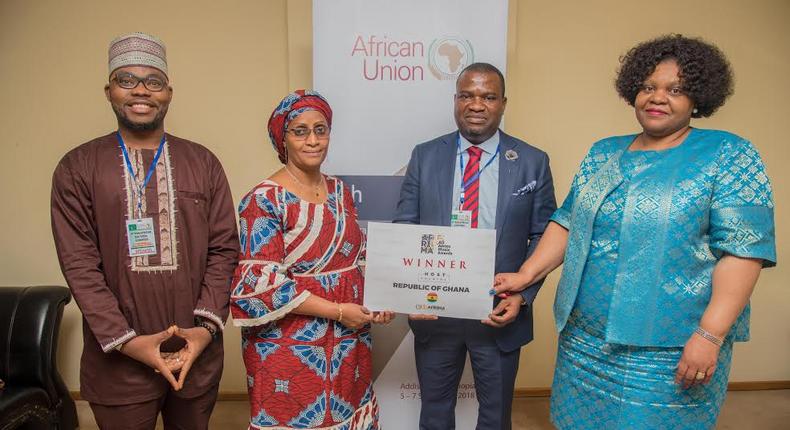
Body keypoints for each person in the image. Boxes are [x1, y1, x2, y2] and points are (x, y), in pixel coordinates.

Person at [494, 35, 776, 429]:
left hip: (670, 350)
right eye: (648, 87)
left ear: (698, 96)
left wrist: (710, 336)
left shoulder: (727, 153)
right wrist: (526, 276)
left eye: (675, 89)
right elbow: (568, 221)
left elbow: (743, 250)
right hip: (585, 341)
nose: (658, 98)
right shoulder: (604, 152)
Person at [51, 32, 239, 429]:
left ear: (168, 92)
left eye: (153, 81)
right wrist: (131, 342)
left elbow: (224, 250)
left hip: (195, 356)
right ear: (109, 91)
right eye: (126, 80)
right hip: (118, 363)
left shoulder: (202, 162)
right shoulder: (78, 167)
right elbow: (79, 263)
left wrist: (203, 332)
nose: (141, 91)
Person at [394, 62, 557, 429]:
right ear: (455, 100)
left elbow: (545, 235)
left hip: (499, 312)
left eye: (488, 96)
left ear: (503, 103)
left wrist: (522, 295)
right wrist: (412, 295)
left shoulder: (532, 161)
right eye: (467, 95)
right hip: (436, 311)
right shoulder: (425, 155)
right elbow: (407, 226)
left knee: (496, 416)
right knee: (434, 414)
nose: (476, 104)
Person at [230, 90, 394, 430]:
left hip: (350, 344)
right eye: (300, 131)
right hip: (287, 349)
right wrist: (337, 311)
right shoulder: (262, 200)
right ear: (283, 139)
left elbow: (356, 257)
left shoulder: (341, 192)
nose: (313, 140)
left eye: (321, 130)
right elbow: (263, 288)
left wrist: (379, 300)